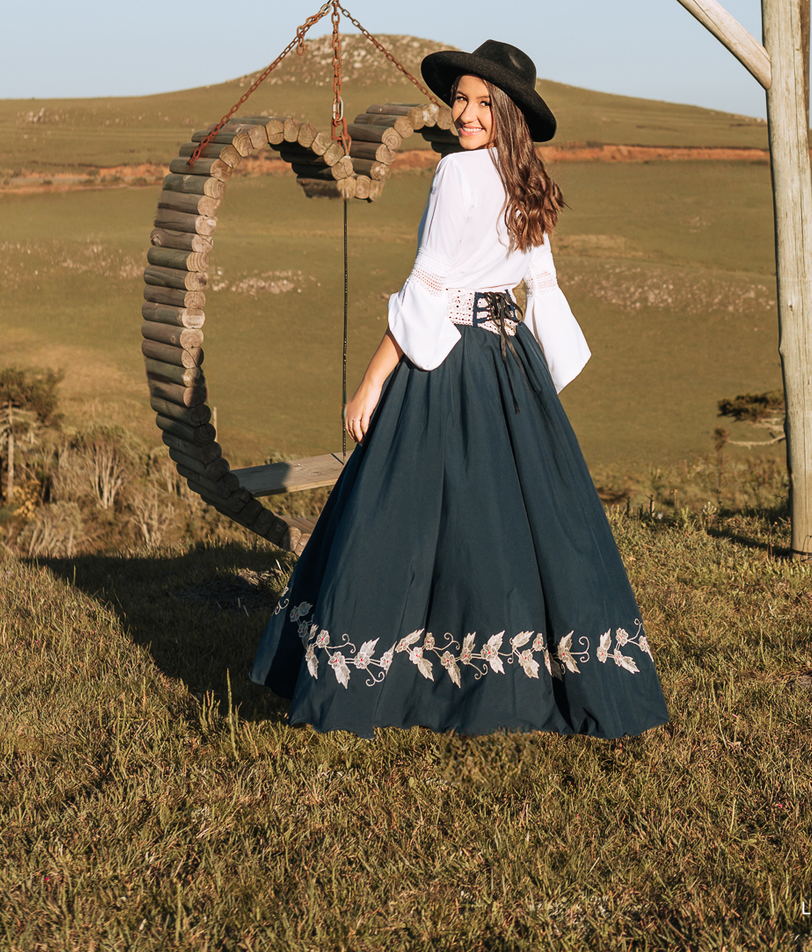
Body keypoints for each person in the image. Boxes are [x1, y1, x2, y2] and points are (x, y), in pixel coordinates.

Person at [250, 39, 669, 739]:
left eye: (482, 103)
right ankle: (537, 677)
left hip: (449, 361)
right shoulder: (528, 178)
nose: (465, 114)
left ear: (509, 113)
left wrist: (371, 382)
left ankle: (381, 682)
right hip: (511, 361)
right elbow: (541, 287)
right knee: (511, 518)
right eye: (460, 100)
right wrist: (535, 388)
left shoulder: (456, 171)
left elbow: (431, 286)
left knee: (399, 513)